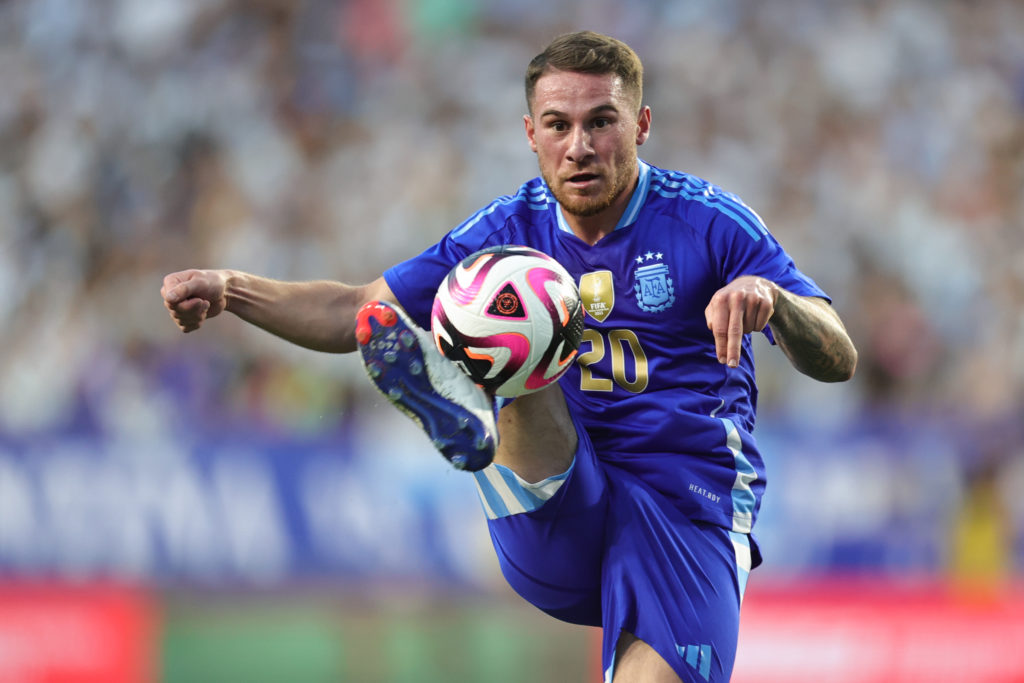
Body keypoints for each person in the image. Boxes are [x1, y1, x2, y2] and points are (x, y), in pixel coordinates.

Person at [162, 31, 857, 683]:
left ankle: (474, 398)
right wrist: (233, 289)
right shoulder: (505, 232)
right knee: (517, 292)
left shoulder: (709, 223)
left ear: (641, 125)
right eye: (558, 125)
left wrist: (775, 299)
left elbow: (840, 355)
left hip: (685, 504)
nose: (579, 145)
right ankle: (483, 412)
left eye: (601, 122)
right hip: (556, 496)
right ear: (531, 135)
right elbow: (360, 312)